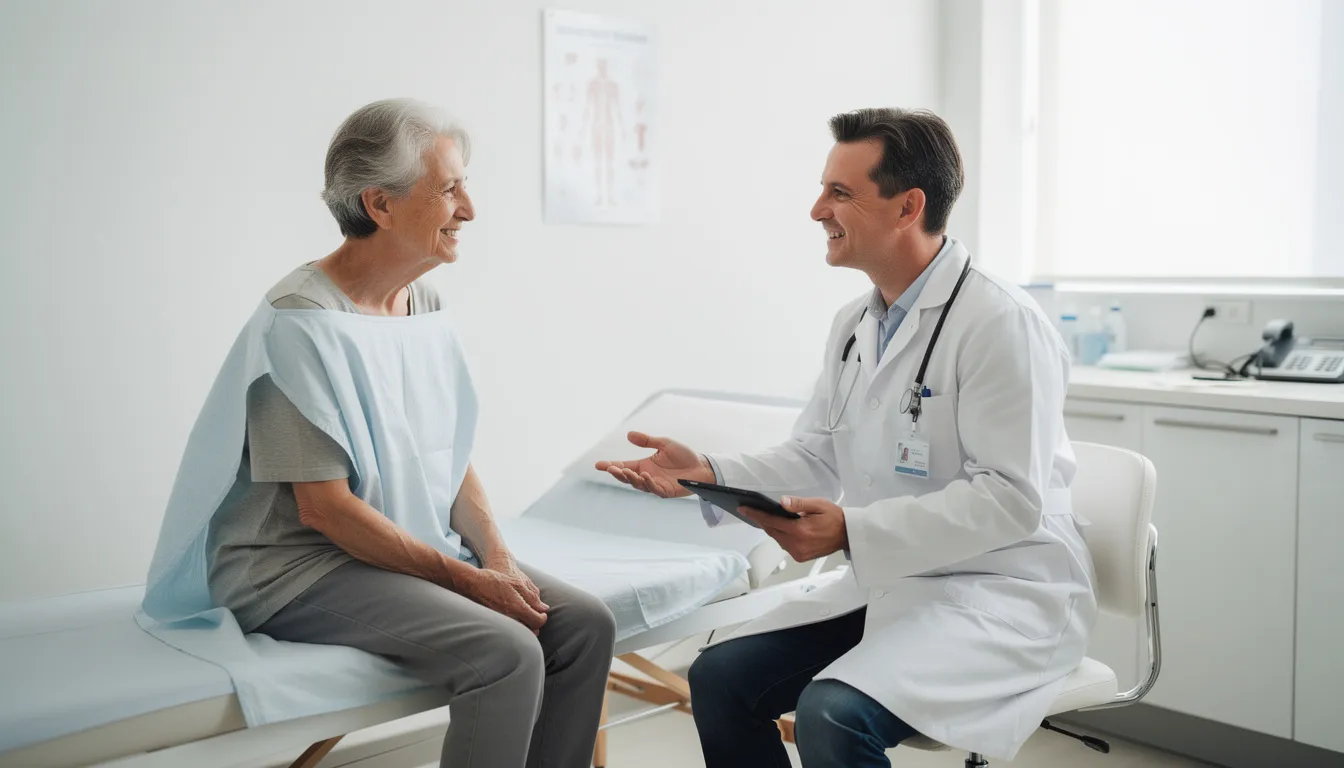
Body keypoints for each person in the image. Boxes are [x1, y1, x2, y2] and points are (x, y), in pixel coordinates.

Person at [595, 108, 1096, 767]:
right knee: (716, 678)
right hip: (899, 580)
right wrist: (709, 472)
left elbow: (1010, 500)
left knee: (832, 716)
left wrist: (853, 532)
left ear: (906, 207)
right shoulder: (855, 324)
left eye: (839, 193)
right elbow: (817, 454)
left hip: (1000, 586)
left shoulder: (1001, 324)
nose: (815, 210)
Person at [194, 98, 615, 768]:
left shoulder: (422, 303)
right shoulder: (299, 323)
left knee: (584, 625)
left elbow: (448, 458)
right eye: (449, 189)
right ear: (380, 205)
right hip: (295, 568)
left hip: (390, 539)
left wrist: (497, 560)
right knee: (505, 651)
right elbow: (322, 509)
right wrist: (466, 580)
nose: (469, 209)